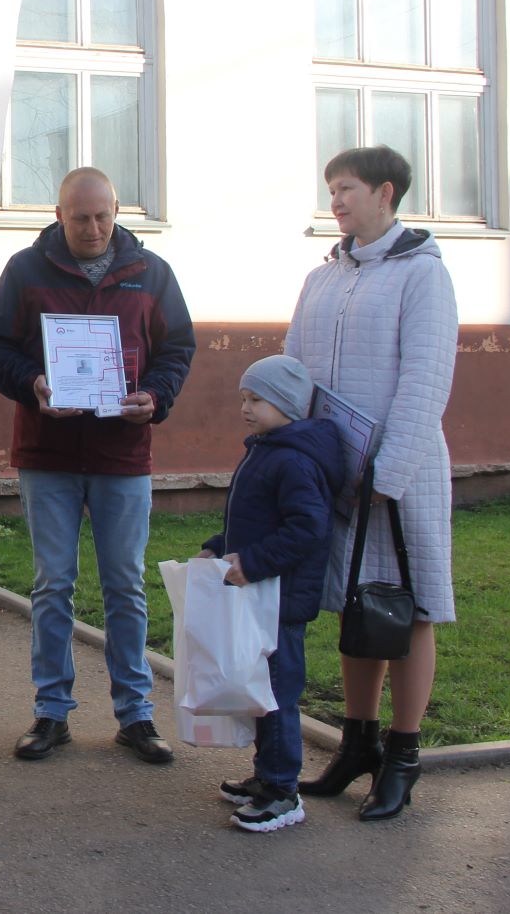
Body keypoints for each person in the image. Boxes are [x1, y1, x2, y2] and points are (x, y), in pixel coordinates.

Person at [0, 167, 195, 766]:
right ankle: (51, 711)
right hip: (48, 453)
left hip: (123, 454)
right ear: (58, 216)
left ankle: (136, 713)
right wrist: (33, 383)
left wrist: (155, 396)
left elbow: (178, 348)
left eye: (102, 217)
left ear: (116, 212)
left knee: (126, 585)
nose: (93, 229)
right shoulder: (26, 270)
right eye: (80, 219)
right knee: (53, 584)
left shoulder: (152, 272)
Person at [288, 145, 458, 822]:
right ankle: (356, 744)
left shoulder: (423, 274)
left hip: (400, 477)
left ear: (386, 193)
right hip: (337, 472)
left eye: (347, 188)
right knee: (355, 606)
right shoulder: (322, 277)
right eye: (331, 189)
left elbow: (426, 379)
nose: (335, 201)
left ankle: (403, 755)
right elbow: (296, 370)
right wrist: (294, 453)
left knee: (406, 609)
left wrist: (389, 474)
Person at [198, 355, 346, 833]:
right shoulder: (267, 450)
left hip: (281, 600)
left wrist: (255, 563)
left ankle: (283, 791)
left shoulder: (294, 460)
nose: (245, 408)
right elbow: (254, 521)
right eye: (243, 398)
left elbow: (307, 529)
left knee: (277, 695)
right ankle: (267, 777)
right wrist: (219, 546)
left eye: (257, 400)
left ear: (286, 405)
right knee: (261, 691)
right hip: (261, 597)